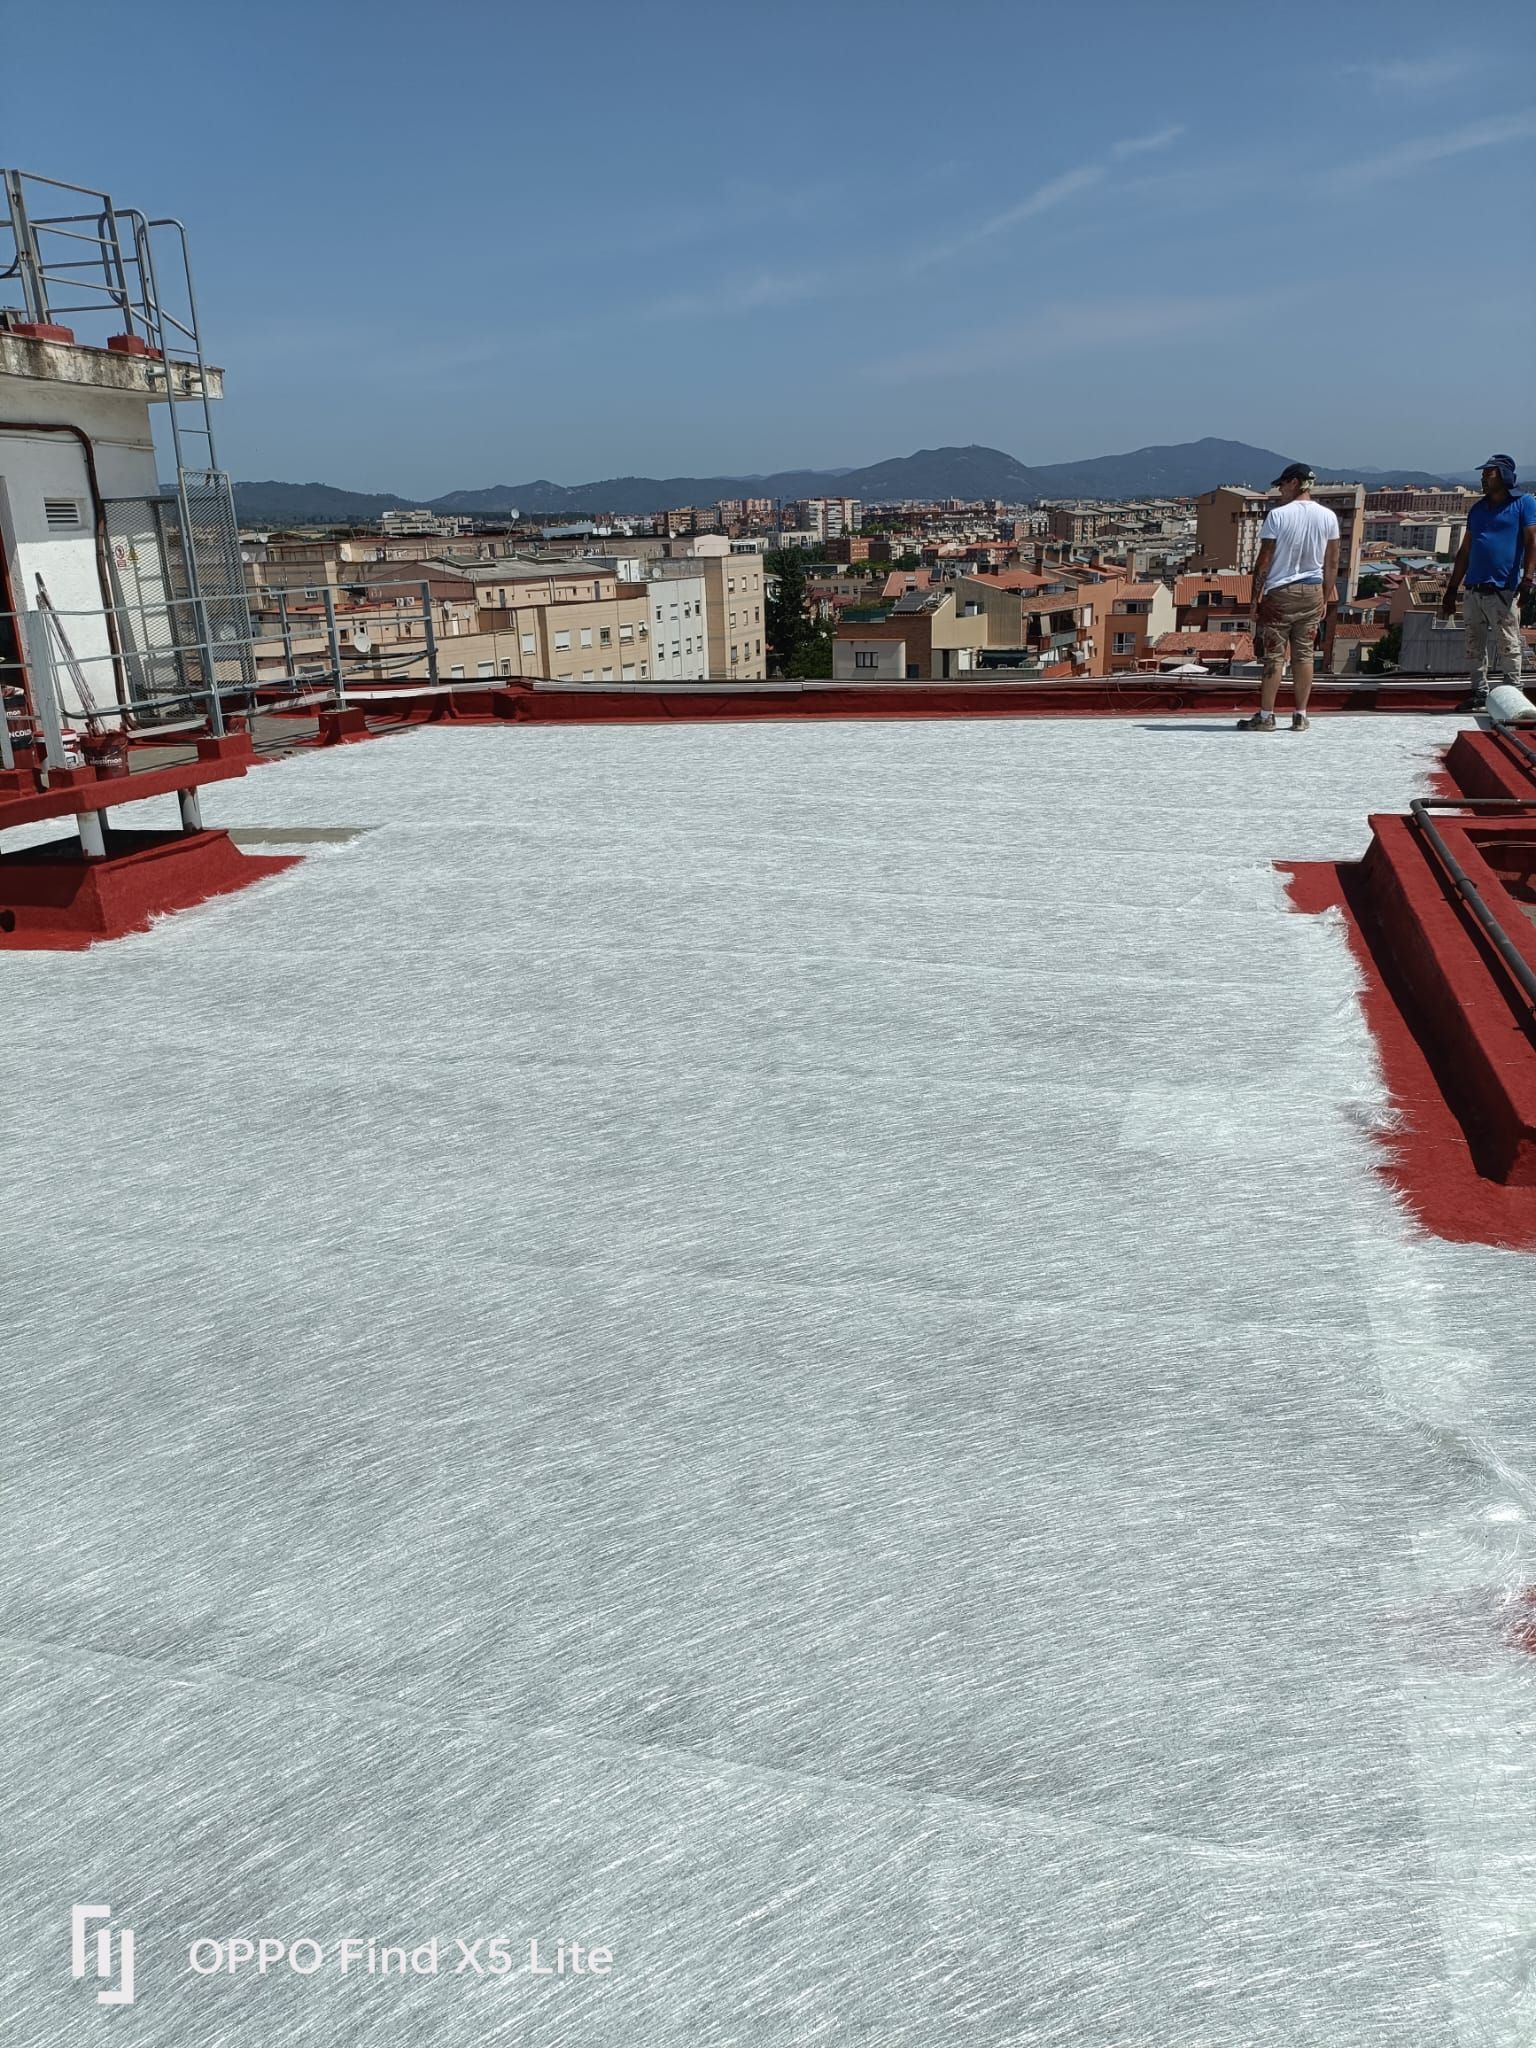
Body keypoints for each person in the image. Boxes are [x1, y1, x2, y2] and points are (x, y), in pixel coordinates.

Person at [1236, 463, 1340, 732]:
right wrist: (1325, 598)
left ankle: (1266, 715)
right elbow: (1332, 562)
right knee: (1304, 655)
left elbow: (1264, 560)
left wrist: (1254, 600)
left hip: (1281, 593)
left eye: (1282, 483)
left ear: (1294, 483)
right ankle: (1300, 715)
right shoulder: (1328, 517)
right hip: (1313, 590)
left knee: (1274, 657)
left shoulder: (1278, 516)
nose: (1280, 489)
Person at [1440, 456, 1536, 711]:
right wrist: (1452, 590)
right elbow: (1465, 551)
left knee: (1508, 644)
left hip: (1503, 589)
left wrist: (1527, 580)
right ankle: (1479, 691)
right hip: (1474, 590)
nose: (1483, 478)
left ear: (1504, 476)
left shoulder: (1524, 504)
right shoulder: (1478, 509)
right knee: (1473, 645)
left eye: (1489, 474)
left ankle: (1513, 693)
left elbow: (1531, 542)